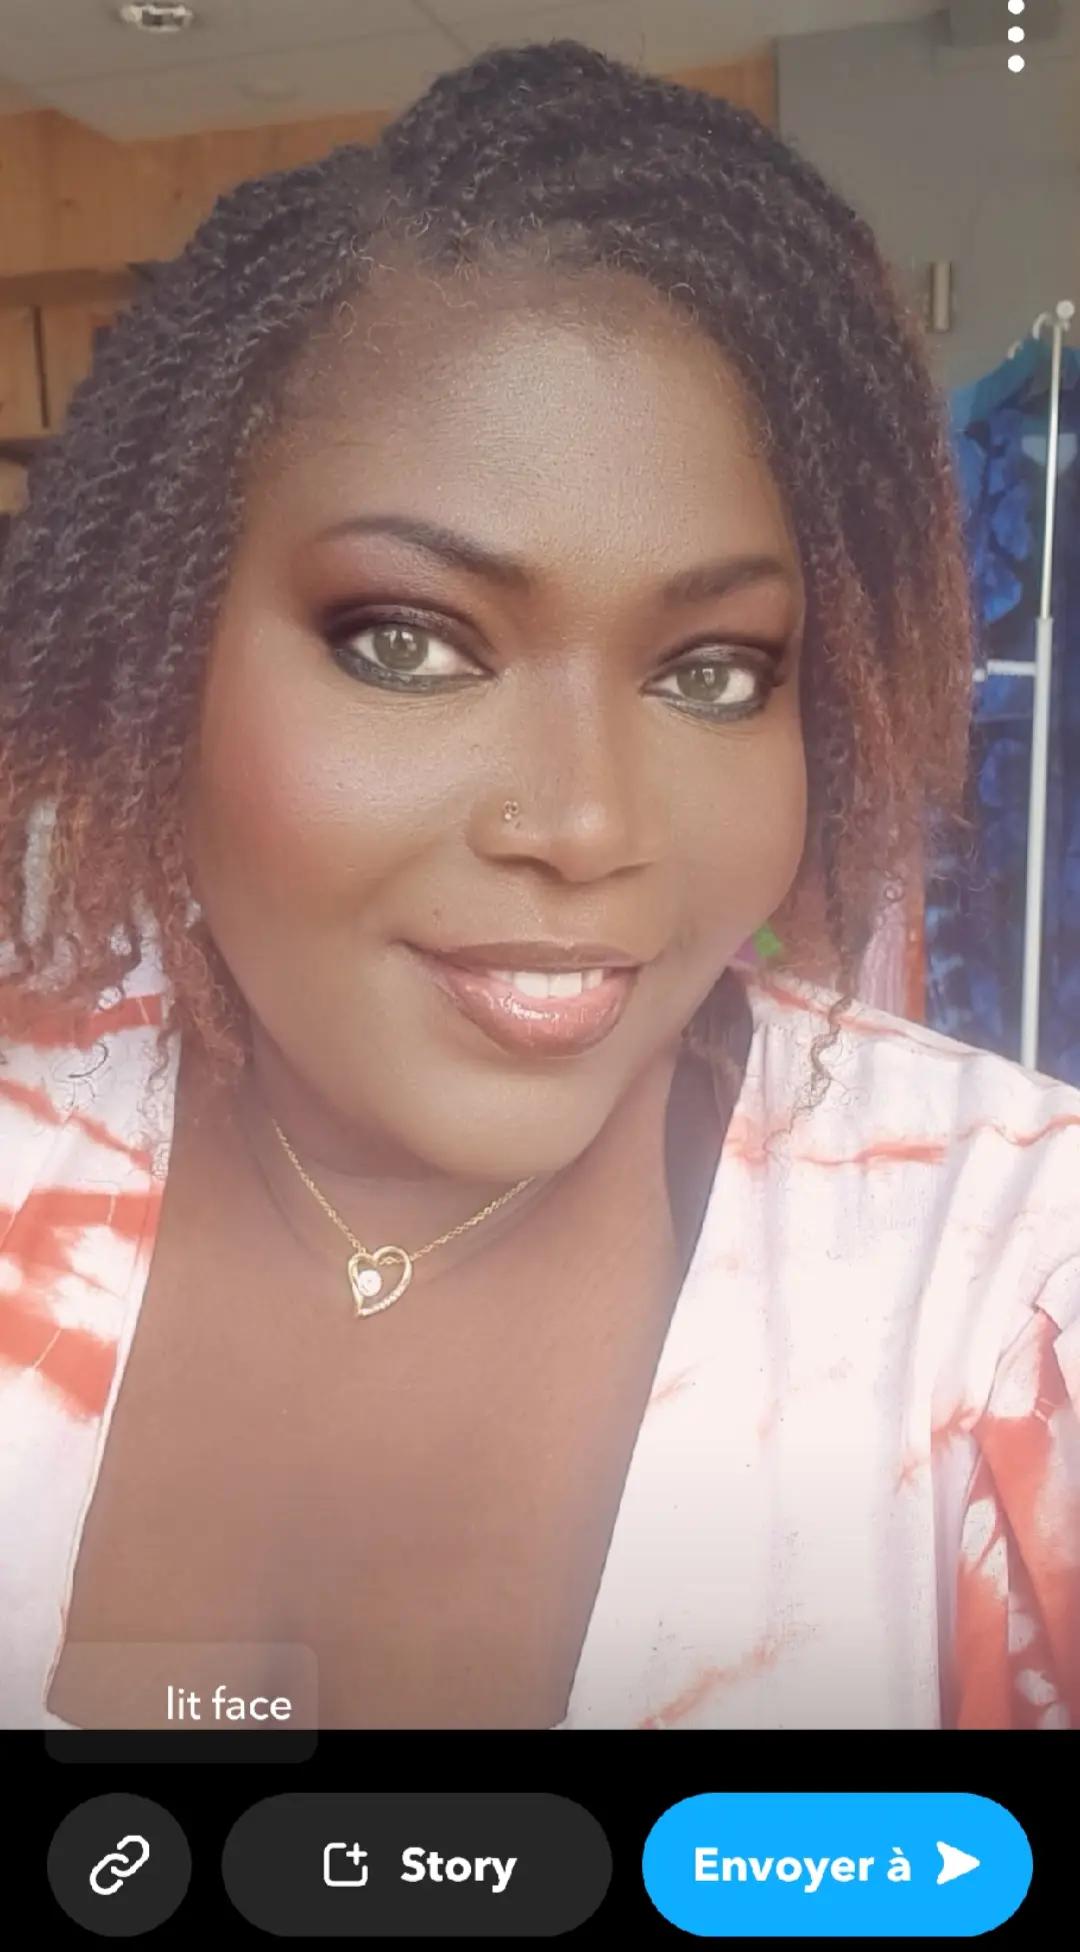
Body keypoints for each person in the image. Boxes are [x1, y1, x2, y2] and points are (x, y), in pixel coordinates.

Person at [0, 39, 1077, 1735]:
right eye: (410, 643)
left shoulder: (1013, 1293)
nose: (584, 825)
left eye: (713, 672)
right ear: (164, 648)